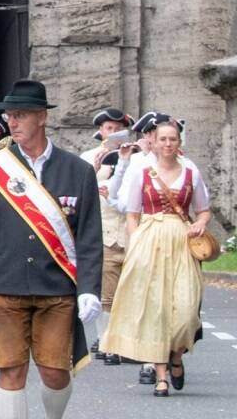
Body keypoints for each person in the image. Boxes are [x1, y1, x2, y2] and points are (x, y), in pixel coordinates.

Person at [0, 80, 103, 419]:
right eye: (10, 115)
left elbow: (89, 237)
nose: (12, 122)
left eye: (21, 115)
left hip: (56, 289)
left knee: (55, 372)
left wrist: (89, 290)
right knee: (10, 370)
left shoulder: (78, 170)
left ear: (42, 117)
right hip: (5, 285)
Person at [102, 118, 210, 397]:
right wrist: (136, 242)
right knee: (156, 309)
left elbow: (204, 208)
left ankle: (176, 354)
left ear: (179, 142)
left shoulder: (191, 171)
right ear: (153, 141)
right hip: (150, 238)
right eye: (162, 139)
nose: (167, 144)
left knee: (186, 311)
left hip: (181, 241)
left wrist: (200, 224)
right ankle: (161, 375)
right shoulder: (143, 171)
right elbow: (131, 213)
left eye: (172, 139)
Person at [80, 107, 132, 364]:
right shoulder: (89, 156)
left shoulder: (137, 156)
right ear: (100, 131)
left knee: (131, 290)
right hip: (103, 230)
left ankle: (127, 340)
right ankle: (106, 339)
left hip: (132, 230)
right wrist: (96, 164)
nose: (113, 134)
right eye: (109, 129)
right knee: (106, 292)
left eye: (118, 129)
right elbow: (78, 190)